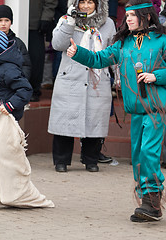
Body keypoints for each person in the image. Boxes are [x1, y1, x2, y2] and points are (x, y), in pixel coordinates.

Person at [67, 0, 166, 222]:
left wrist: (157, 76)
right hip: (136, 111)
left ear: (147, 16)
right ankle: (148, 204)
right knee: (138, 156)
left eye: (133, 15)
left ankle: (152, 201)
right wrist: (78, 53)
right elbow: (99, 59)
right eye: (127, 15)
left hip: (157, 108)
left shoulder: (162, 40)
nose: (127, 18)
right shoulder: (124, 44)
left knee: (149, 153)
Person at [0, 29, 54, 208]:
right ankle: (0, 190)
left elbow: (25, 90)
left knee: (0, 152)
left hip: (5, 118)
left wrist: (10, 105)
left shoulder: (9, 68)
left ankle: (20, 193)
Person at [48, 0, 116, 173]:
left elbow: (114, 51)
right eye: (82, 2)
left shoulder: (107, 23)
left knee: (95, 120)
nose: (85, 6)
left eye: (90, 2)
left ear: (98, 4)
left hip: (97, 79)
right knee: (65, 121)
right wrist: (70, 22)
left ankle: (91, 160)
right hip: (70, 77)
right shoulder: (66, 19)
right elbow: (58, 45)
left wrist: (119, 77)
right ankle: (61, 161)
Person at [28, 0, 59, 102]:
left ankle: (33, 90)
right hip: (12, 22)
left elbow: (50, 2)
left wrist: (46, 17)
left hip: (35, 23)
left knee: (35, 58)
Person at [0, 4, 31, 80]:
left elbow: (25, 65)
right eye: (0, 20)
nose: (3, 24)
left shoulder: (18, 43)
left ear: (11, 22)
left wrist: (20, 81)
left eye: (7, 20)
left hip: (13, 84)